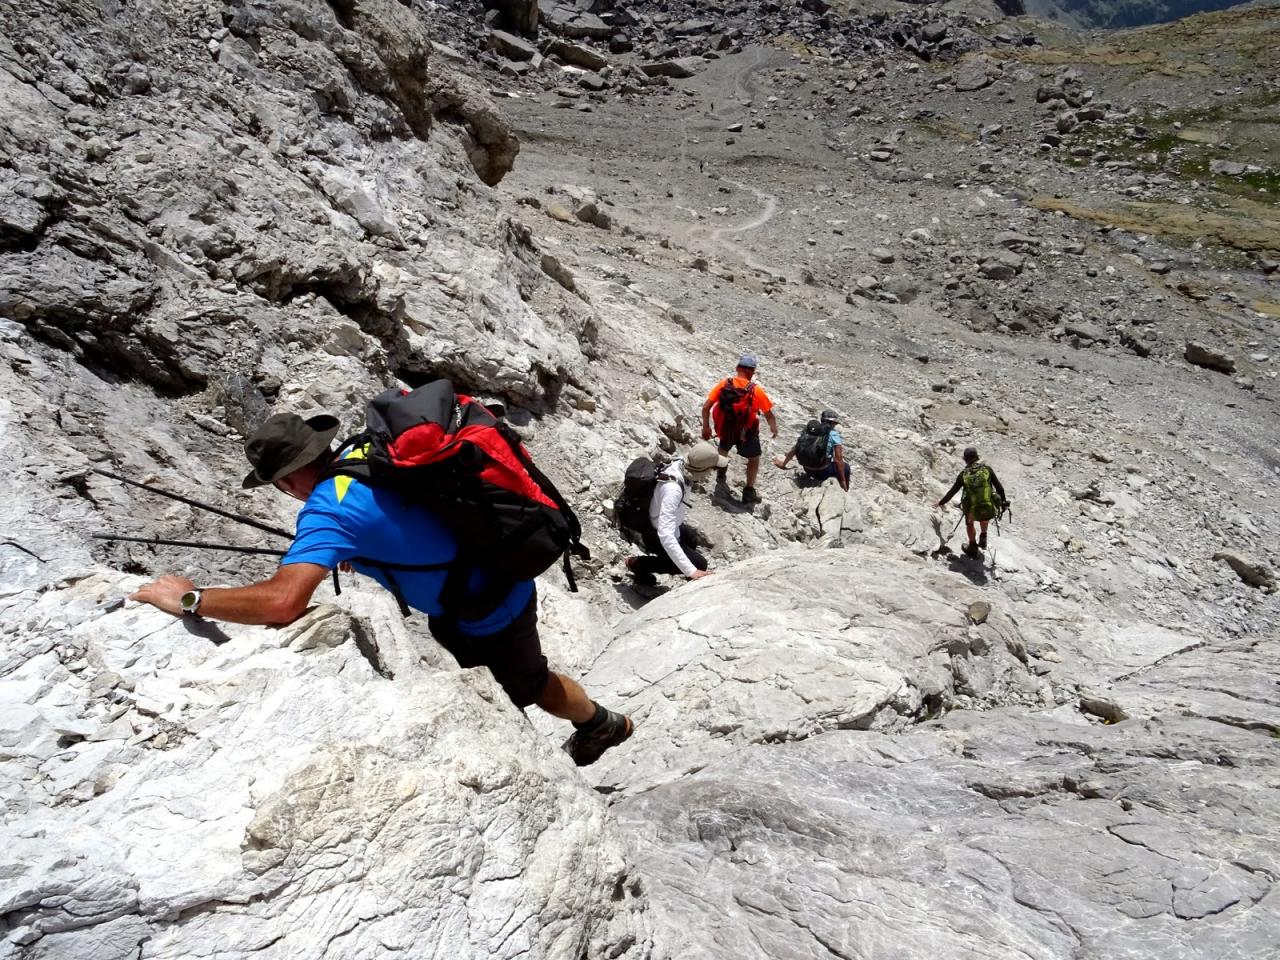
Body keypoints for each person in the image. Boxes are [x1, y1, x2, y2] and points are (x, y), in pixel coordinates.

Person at [129, 412, 633, 767]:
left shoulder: (329, 509)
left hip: (487, 610)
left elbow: (284, 601)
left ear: (286, 481)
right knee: (501, 686)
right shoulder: (366, 454)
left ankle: (601, 724)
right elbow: (403, 522)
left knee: (530, 687)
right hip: (482, 587)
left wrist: (191, 598)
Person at [623, 441, 726, 587]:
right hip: (654, 534)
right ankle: (638, 564)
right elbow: (665, 535)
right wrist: (690, 570)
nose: (712, 472)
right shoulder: (673, 490)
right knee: (699, 564)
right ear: (702, 471)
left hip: (659, 523)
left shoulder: (681, 463)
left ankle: (678, 564)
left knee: (690, 536)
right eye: (712, 469)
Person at [700, 354, 778, 505]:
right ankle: (749, 490)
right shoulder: (756, 391)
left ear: (737, 368)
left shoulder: (724, 384)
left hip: (726, 429)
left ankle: (721, 476)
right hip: (747, 433)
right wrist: (774, 429)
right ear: (752, 372)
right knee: (754, 458)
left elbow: (705, 407)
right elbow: (769, 415)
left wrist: (706, 427)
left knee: (723, 449)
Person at [935, 446, 1007, 557]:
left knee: (970, 524)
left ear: (965, 459)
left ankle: (972, 546)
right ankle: (983, 537)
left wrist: (940, 503)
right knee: (984, 515)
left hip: (971, 506)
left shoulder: (964, 474)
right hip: (986, 505)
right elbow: (999, 487)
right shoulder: (987, 469)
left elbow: (953, 491)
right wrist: (1003, 502)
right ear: (976, 457)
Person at [773, 409, 850, 491]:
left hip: (807, 469)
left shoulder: (810, 430)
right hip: (823, 472)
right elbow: (838, 459)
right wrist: (842, 480)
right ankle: (845, 489)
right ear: (832, 423)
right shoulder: (833, 434)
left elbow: (795, 449)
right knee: (846, 467)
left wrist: (783, 464)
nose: (835, 425)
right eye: (835, 423)